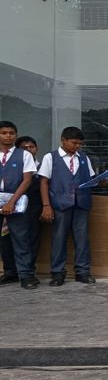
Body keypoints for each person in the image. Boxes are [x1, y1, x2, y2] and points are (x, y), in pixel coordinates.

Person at [39, 126, 96, 286]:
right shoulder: (50, 157)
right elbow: (44, 182)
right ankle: (58, 273)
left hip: (81, 204)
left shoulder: (83, 158)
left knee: (82, 239)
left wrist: (101, 180)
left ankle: (82, 271)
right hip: (60, 204)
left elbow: (90, 178)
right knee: (59, 239)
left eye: (80, 144)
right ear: (63, 140)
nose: (77, 146)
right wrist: (46, 205)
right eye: (74, 143)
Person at [0, 123, 37, 289]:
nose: (8, 136)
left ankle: (26, 275)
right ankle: (9, 273)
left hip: (16, 201)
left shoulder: (24, 155)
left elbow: (27, 180)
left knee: (21, 239)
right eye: (4, 133)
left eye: (11, 133)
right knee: (4, 241)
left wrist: (11, 202)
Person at [16, 136, 44, 287]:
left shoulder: (42, 167)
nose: (28, 150)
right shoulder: (13, 166)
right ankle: (11, 272)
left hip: (34, 209)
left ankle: (28, 273)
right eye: (24, 148)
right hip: (13, 209)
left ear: (36, 148)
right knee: (10, 241)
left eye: (31, 147)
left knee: (32, 240)